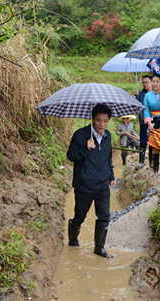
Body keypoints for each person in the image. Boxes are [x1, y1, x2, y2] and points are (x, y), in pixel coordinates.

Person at [66, 104, 116, 258]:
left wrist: (111, 176)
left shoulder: (107, 136)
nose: (101, 124)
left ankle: (99, 248)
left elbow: (108, 159)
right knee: (80, 216)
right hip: (84, 185)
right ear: (92, 119)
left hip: (102, 185)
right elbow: (71, 156)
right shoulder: (81, 135)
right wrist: (85, 149)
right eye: (98, 120)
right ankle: (73, 239)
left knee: (104, 216)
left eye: (105, 121)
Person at [134, 75, 153, 169]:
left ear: (151, 83)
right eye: (143, 82)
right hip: (143, 122)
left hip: (153, 122)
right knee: (143, 142)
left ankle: (152, 162)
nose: (145, 84)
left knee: (153, 142)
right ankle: (141, 161)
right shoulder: (140, 94)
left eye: (147, 82)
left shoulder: (155, 93)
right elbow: (136, 107)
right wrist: (135, 97)